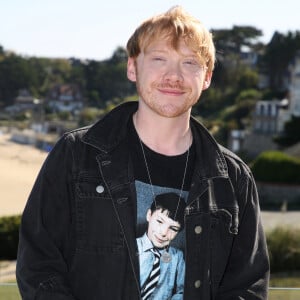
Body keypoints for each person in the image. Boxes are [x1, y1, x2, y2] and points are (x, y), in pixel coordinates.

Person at [16, 5, 270, 300]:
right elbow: (38, 264)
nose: (174, 75)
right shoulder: (75, 156)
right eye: (160, 59)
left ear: (207, 77)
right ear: (132, 67)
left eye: (190, 62)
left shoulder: (233, 178)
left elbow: (248, 286)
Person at [137, 193, 186, 300]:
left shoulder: (177, 257)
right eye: (159, 221)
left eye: (173, 229)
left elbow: (183, 292)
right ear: (149, 215)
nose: (163, 232)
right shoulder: (131, 247)